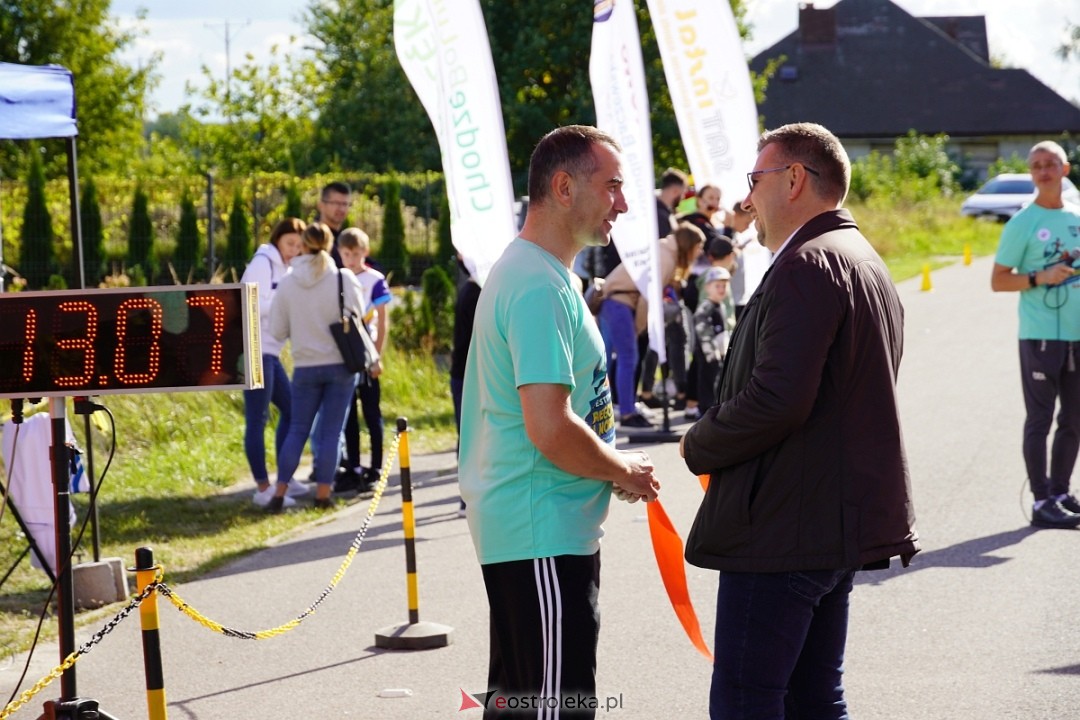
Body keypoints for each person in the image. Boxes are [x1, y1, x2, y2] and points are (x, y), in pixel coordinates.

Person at [679, 122, 919, 719]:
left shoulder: (809, 265)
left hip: (785, 530)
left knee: (748, 702)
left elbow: (776, 398)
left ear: (793, 179)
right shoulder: (858, 257)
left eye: (755, 181)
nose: (746, 200)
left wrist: (697, 443)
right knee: (813, 700)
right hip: (821, 525)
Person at [458, 124, 660, 718]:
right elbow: (548, 427)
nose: (622, 203)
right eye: (613, 186)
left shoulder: (546, 277)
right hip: (539, 531)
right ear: (565, 187)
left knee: (521, 704)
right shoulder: (536, 284)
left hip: (542, 530)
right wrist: (622, 468)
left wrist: (609, 469)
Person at [990, 140, 1080, 529]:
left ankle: (1060, 492)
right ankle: (1042, 501)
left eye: (1050, 164)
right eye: (1036, 165)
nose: (1043, 171)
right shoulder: (1022, 223)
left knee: (1075, 418)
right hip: (1040, 336)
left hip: (1077, 336)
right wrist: (1040, 277)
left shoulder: (1077, 215)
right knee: (1040, 418)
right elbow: (998, 281)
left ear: (1066, 170)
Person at [267, 222, 364, 513]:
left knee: (297, 429)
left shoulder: (287, 282)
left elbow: (277, 330)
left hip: (305, 366)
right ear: (330, 244)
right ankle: (323, 494)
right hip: (340, 365)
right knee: (332, 433)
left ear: (303, 245)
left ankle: (279, 492)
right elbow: (358, 315)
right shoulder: (342, 278)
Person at [598, 222, 705, 428]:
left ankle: (608, 409)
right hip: (620, 304)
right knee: (628, 358)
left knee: (604, 361)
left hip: (612, 302)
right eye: (698, 246)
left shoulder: (663, 250)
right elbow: (649, 297)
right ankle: (628, 414)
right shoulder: (665, 258)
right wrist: (639, 328)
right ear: (688, 244)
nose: (699, 252)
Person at [241, 218, 309, 509]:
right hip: (255, 351)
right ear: (278, 239)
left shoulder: (287, 268)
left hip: (271, 351)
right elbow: (249, 302)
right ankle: (262, 487)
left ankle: (285, 475)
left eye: (298, 245)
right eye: (289, 243)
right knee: (257, 418)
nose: (293, 249)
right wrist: (286, 304)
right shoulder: (263, 262)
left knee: (293, 409)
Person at [335, 227, 389, 494]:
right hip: (346, 356)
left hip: (368, 356)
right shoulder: (337, 279)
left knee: (371, 412)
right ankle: (353, 467)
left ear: (364, 253)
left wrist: (377, 355)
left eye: (356, 254)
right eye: (346, 254)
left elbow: (382, 318)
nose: (351, 259)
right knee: (349, 417)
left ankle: (376, 467)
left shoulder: (375, 279)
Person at [450, 255, 481, 515]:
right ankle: (467, 496)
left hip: (467, 373)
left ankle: (470, 494)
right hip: (468, 373)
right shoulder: (475, 293)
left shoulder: (474, 292)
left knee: (471, 434)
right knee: (471, 435)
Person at [692, 265, 731, 407]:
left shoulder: (721, 306)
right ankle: (705, 409)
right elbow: (701, 327)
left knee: (717, 381)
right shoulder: (706, 306)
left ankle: (714, 407)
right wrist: (710, 350)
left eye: (724, 286)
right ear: (708, 287)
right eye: (717, 286)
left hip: (719, 352)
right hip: (709, 353)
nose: (721, 289)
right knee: (707, 381)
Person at [316, 181, 352, 264]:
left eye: (345, 204)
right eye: (336, 203)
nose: (341, 209)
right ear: (321, 205)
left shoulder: (346, 238)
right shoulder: (311, 238)